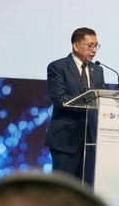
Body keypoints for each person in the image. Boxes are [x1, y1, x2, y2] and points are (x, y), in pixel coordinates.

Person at [45, 27, 105, 185]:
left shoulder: (97, 70)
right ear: (76, 46)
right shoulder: (58, 67)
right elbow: (59, 98)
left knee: (84, 191)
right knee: (62, 190)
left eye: (96, 46)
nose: (93, 50)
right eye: (89, 46)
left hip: (90, 140)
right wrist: (87, 102)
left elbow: (101, 98)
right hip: (66, 139)